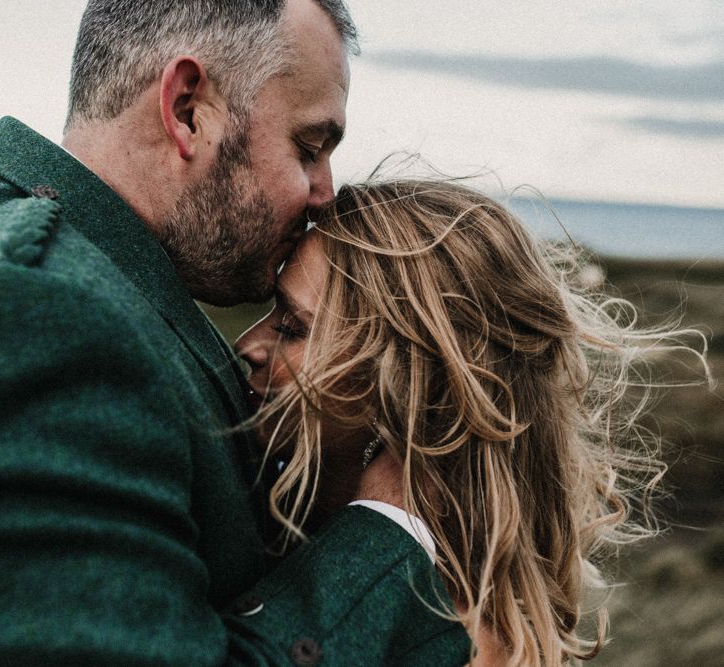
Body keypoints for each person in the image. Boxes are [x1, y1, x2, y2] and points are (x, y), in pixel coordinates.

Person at [0, 2, 470, 665]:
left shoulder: (97, 289)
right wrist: (386, 527)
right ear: (188, 109)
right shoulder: (48, 306)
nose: (325, 193)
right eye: (309, 147)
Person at [235, 178, 709, 666]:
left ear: (407, 390)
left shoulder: (455, 639)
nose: (246, 344)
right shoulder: (272, 518)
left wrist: (383, 520)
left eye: (292, 327)